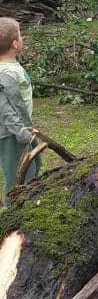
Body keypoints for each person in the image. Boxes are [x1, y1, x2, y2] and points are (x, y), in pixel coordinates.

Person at [0, 17, 45, 202]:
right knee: (16, 175)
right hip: (11, 133)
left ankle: (30, 202)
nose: (22, 37)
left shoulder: (10, 67)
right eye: (20, 34)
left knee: (34, 165)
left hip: (23, 128)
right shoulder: (5, 73)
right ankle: (15, 213)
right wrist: (20, 131)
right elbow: (4, 107)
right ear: (15, 43)